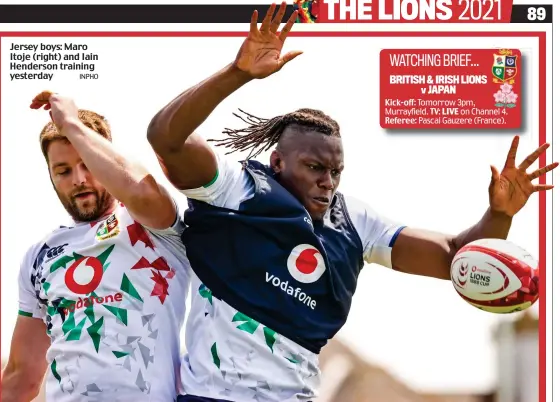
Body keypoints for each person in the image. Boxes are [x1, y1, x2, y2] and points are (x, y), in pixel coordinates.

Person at [147, 4, 557, 401]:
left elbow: (455, 257)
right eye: (313, 168)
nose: (327, 182)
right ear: (277, 162)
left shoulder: (356, 221)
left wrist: (499, 212)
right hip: (212, 398)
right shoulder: (235, 189)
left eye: (336, 172)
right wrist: (237, 74)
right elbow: (166, 137)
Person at [1, 91, 191, 402]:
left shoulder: (153, 223)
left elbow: (140, 190)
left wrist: (72, 123)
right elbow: (21, 376)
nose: (78, 179)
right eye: (62, 171)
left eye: (87, 163)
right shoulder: (39, 256)